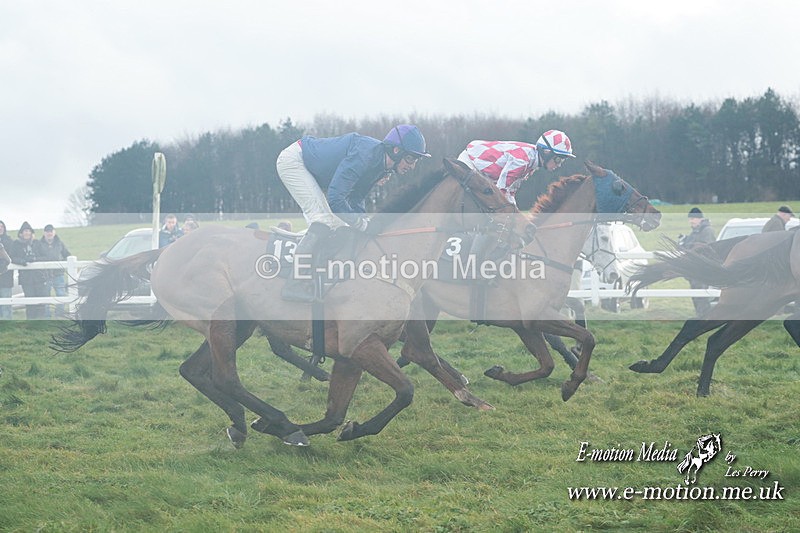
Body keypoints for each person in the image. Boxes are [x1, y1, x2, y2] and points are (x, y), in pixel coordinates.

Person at [276, 124, 431, 301]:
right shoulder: (364, 156)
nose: (412, 166)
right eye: (410, 159)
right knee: (324, 221)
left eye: (416, 161)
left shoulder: (380, 165)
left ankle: (325, 280)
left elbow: (356, 199)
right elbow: (336, 199)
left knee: (343, 225)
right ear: (396, 151)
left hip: (312, 167)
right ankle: (293, 285)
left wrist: (364, 224)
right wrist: (361, 225)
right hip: (295, 162)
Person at [456, 129, 576, 205]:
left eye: (563, 160)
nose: (559, 164)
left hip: (484, 172)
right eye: (558, 159)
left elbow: (510, 193)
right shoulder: (522, 161)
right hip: (470, 161)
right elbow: (500, 191)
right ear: (546, 152)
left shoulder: (532, 163)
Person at [679, 207, 716, 316]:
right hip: (694, 270)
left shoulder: (707, 230)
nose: (691, 221)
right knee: (696, 296)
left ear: (700, 219)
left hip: (703, 270)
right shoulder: (695, 232)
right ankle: (700, 317)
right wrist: (683, 242)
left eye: (693, 218)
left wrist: (689, 245)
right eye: (690, 219)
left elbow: (705, 247)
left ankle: (705, 318)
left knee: (701, 296)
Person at [9, 221, 48, 319]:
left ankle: (41, 322)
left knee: (41, 302)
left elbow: (46, 256)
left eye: (28, 231)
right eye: (25, 231)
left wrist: (35, 259)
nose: (27, 233)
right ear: (21, 233)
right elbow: (12, 257)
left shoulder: (37, 243)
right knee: (30, 302)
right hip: (26, 278)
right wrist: (22, 261)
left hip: (39, 277)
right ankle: (31, 322)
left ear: (31, 233)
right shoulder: (16, 244)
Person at [39, 224, 72, 317]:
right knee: (46, 296)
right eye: (47, 231)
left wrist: (61, 264)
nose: (49, 233)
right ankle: (47, 317)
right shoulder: (39, 244)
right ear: (44, 233)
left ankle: (59, 315)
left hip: (58, 274)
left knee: (61, 294)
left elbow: (67, 255)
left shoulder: (59, 243)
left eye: (51, 231)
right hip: (45, 275)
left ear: (54, 232)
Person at [0, 220, 14, 319]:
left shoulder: (9, 241)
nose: (0, 228)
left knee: (6, 305)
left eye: (2, 226)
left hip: (6, 277)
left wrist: (3, 264)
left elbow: (12, 256)